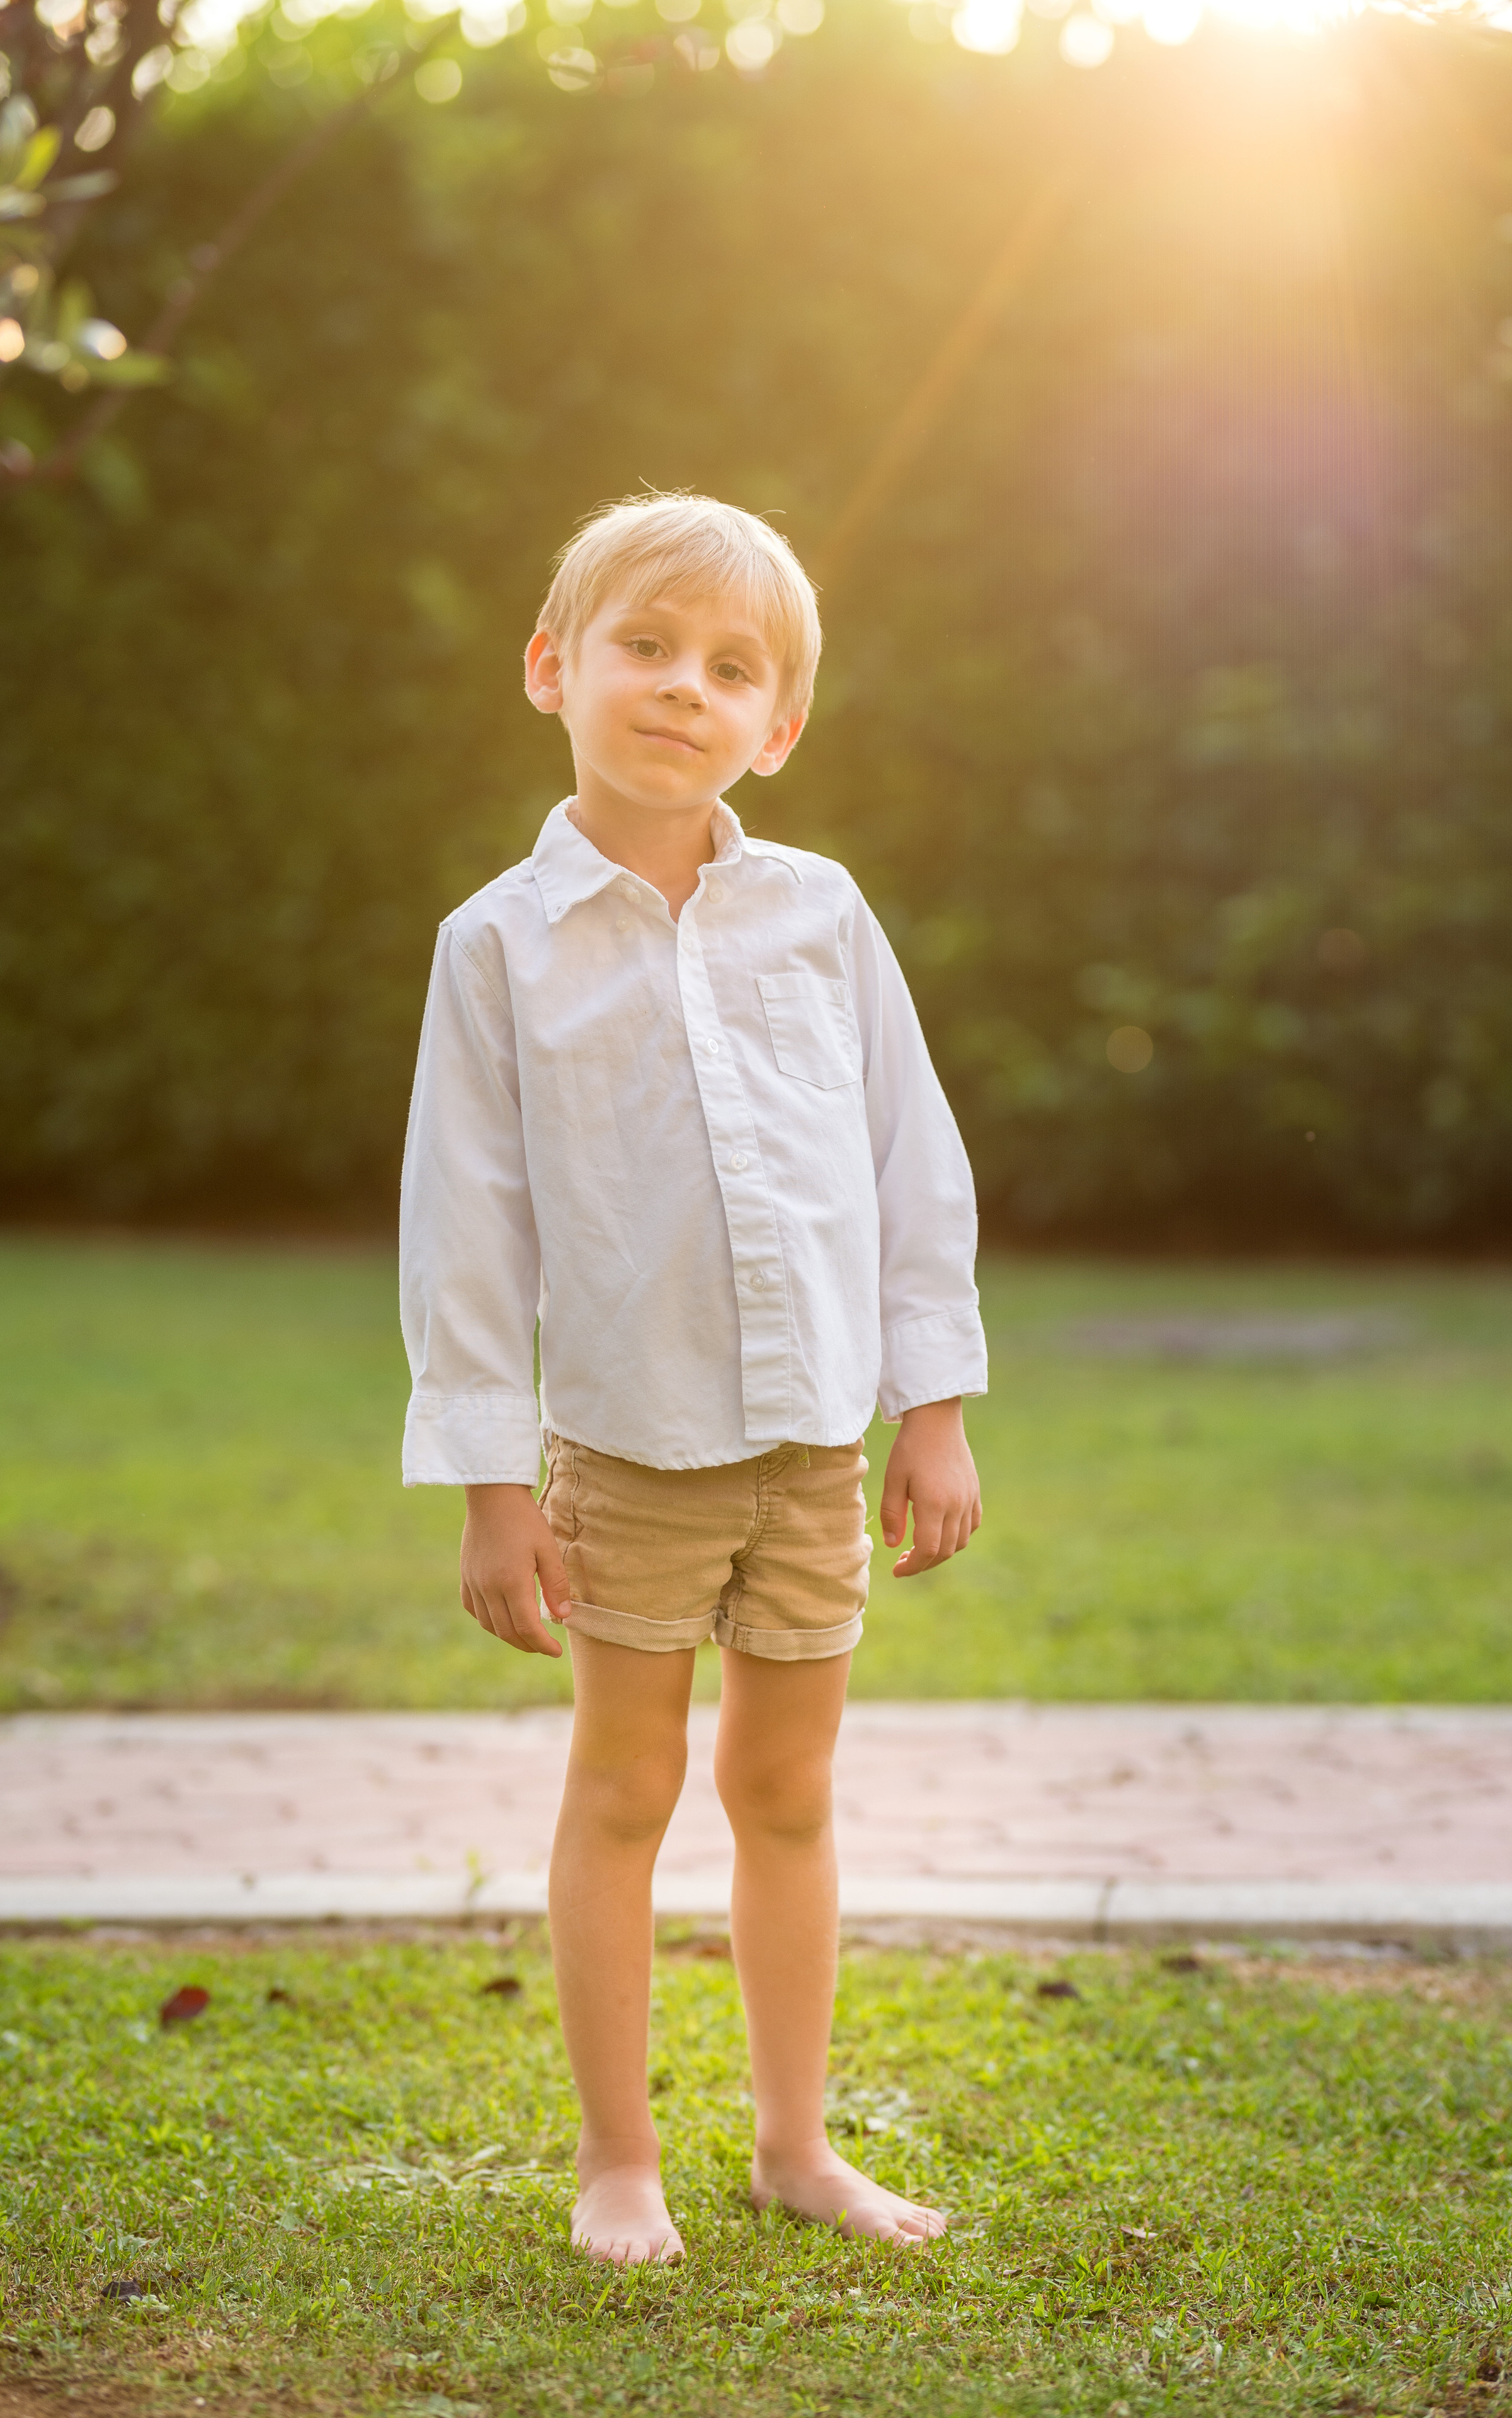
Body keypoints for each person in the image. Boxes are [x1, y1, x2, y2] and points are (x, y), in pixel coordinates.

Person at [399, 492, 987, 2268]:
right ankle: (617, 2158)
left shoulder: (820, 914)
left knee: (789, 1792)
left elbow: (909, 1160)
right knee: (623, 1790)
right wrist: (497, 1488)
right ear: (551, 668)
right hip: (630, 1452)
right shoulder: (497, 946)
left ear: (779, 725)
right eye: (646, 648)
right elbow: (468, 1227)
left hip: (818, 1446)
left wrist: (934, 1403)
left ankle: (797, 2145)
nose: (682, 689)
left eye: (731, 669)